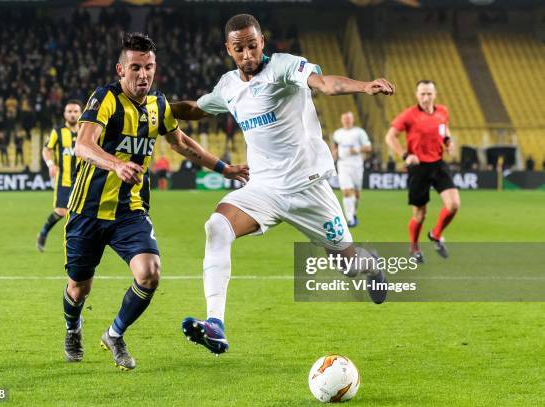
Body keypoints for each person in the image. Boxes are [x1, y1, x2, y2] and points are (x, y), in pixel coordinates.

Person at [171, 14, 394, 355]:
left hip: (309, 189)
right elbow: (195, 109)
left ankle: (371, 264)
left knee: (348, 265)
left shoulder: (286, 67)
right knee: (217, 226)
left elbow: (325, 84)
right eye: (239, 48)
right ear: (228, 50)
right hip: (264, 190)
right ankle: (215, 323)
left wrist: (363, 86)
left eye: (252, 45)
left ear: (262, 42)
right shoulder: (228, 86)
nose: (247, 54)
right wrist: (152, 112)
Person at [61, 32, 248, 370]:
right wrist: (117, 163)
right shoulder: (104, 99)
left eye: (149, 67)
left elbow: (181, 143)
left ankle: (115, 334)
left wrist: (224, 167)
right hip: (87, 211)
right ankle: (73, 327)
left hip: (130, 211)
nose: (143, 75)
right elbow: (83, 146)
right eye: (135, 68)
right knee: (78, 288)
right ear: (121, 69)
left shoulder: (158, 105)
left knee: (150, 273)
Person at [385, 80, 460, 263]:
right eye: (422, 94)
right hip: (418, 168)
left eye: (429, 94)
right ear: (416, 95)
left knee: (453, 205)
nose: (426, 97)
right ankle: (414, 248)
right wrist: (405, 155)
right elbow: (390, 136)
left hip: (438, 164)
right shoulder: (409, 115)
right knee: (420, 214)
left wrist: (448, 142)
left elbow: (444, 128)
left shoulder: (442, 111)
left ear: (435, 94)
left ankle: (435, 234)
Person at [36, 100, 82, 252]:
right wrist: (50, 164)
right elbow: (46, 149)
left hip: (83, 180)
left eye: (75, 111)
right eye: (69, 111)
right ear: (64, 114)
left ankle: (80, 245)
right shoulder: (57, 131)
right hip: (64, 179)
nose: (73, 114)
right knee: (61, 211)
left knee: (84, 213)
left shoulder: (86, 131)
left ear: (80, 113)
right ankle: (43, 233)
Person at [331, 111, 372, 227]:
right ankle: (349, 219)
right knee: (347, 191)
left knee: (357, 194)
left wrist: (357, 149)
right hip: (343, 165)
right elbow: (335, 147)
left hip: (357, 165)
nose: (347, 121)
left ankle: (353, 213)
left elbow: (368, 147)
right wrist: (332, 155)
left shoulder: (359, 132)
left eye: (349, 119)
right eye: (345, 119)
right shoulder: (337, 133)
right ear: (342, 120)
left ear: (352, 120)